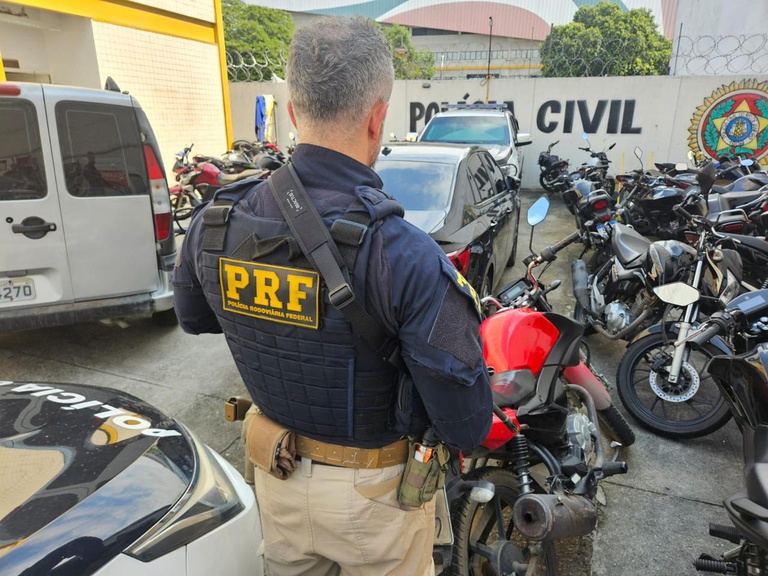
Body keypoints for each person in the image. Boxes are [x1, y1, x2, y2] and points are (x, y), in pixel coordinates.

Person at [172, 16, 493, 576]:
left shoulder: (214, 223)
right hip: (378, 503)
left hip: (275, 480)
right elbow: (466, 426)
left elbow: (194, 319)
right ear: (378, 117)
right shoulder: (407, 257)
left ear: (294, 113)